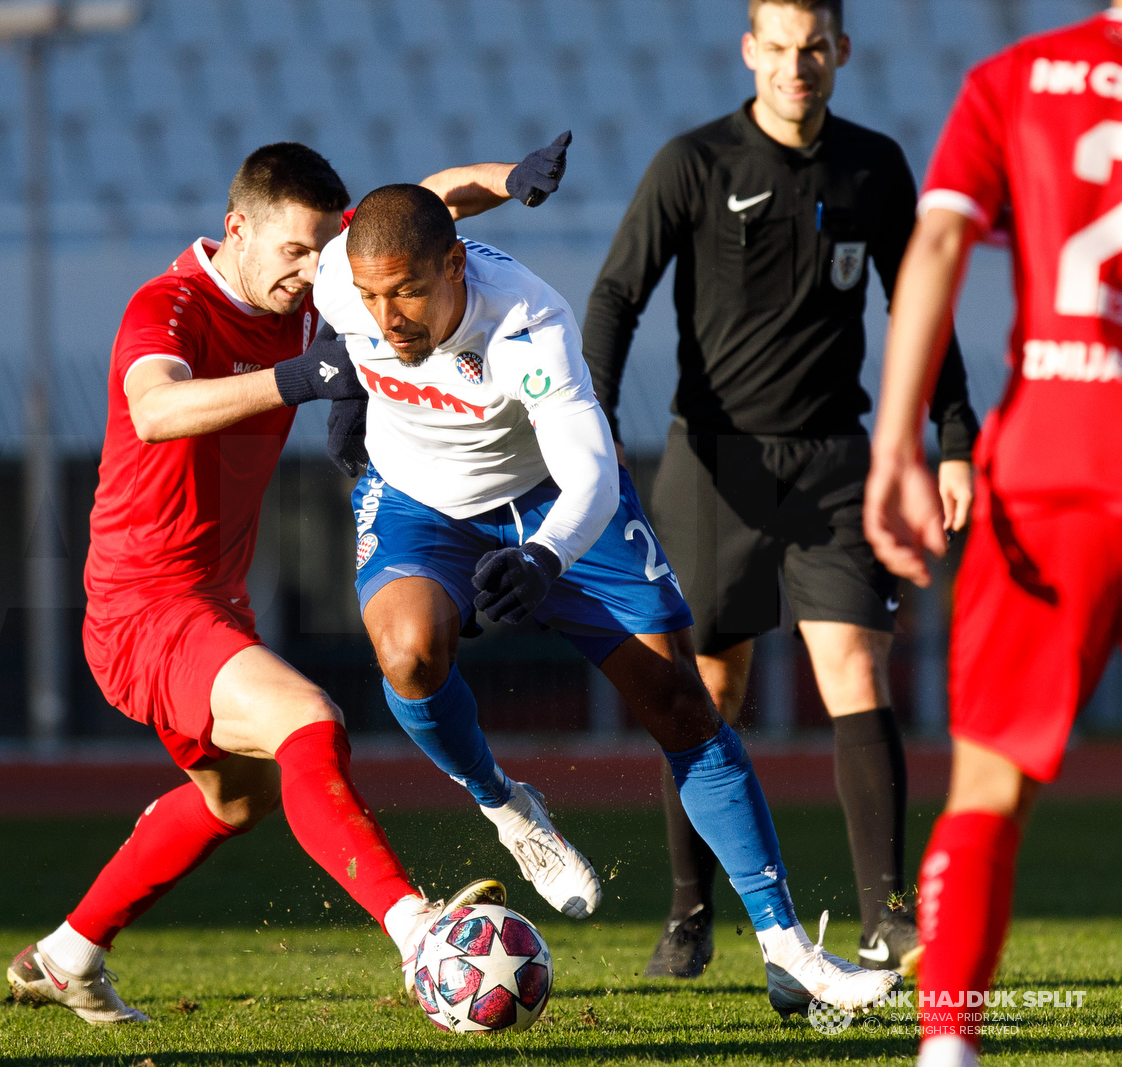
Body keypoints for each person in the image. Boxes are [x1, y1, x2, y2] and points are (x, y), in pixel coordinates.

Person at [4, 138, 575, 1024]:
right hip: (142, 607)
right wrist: (298, 379)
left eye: (324, 253)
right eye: (295, 253)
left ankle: (68, 952)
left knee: (236, 796)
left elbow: (422, 203)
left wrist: (511, 179)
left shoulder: (311, 289)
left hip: (213, 601)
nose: (314, 275)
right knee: (309, 722)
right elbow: (154, 409)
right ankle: (418, 930)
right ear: (237, 228)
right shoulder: (168, 306)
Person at [312, 181, 900, 1018]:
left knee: (682, 706)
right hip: (420, 504)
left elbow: (590, 472)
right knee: (406, 651)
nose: (386, 315)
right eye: (372, 296)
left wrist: (545, 557)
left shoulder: (527, 325)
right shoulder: (345, 277)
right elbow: (379, 248)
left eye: (406, 290)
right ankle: (506, 806)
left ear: (454, 265)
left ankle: (790, 952)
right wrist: (343, 394)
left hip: (557, 503)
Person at [581, 0, 980, 978]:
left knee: (853, 669)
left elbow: (917, 303)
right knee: (704, 689)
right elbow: (616, 294)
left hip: (836, 465)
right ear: (750, 52)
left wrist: (953, 437)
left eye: (814, 49)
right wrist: (585, 425)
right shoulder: (693, 163)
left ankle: (884, 914)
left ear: (840, 52)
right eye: (780, 49)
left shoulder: (874, 165)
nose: (796, 67)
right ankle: (689, 914)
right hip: (714, 469)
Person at [864, 7, 1122, 1067]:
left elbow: (935, 239)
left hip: (1058, 453)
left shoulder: (1016, 76)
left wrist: (895, 445)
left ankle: (947, 1045)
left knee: (987, 786)